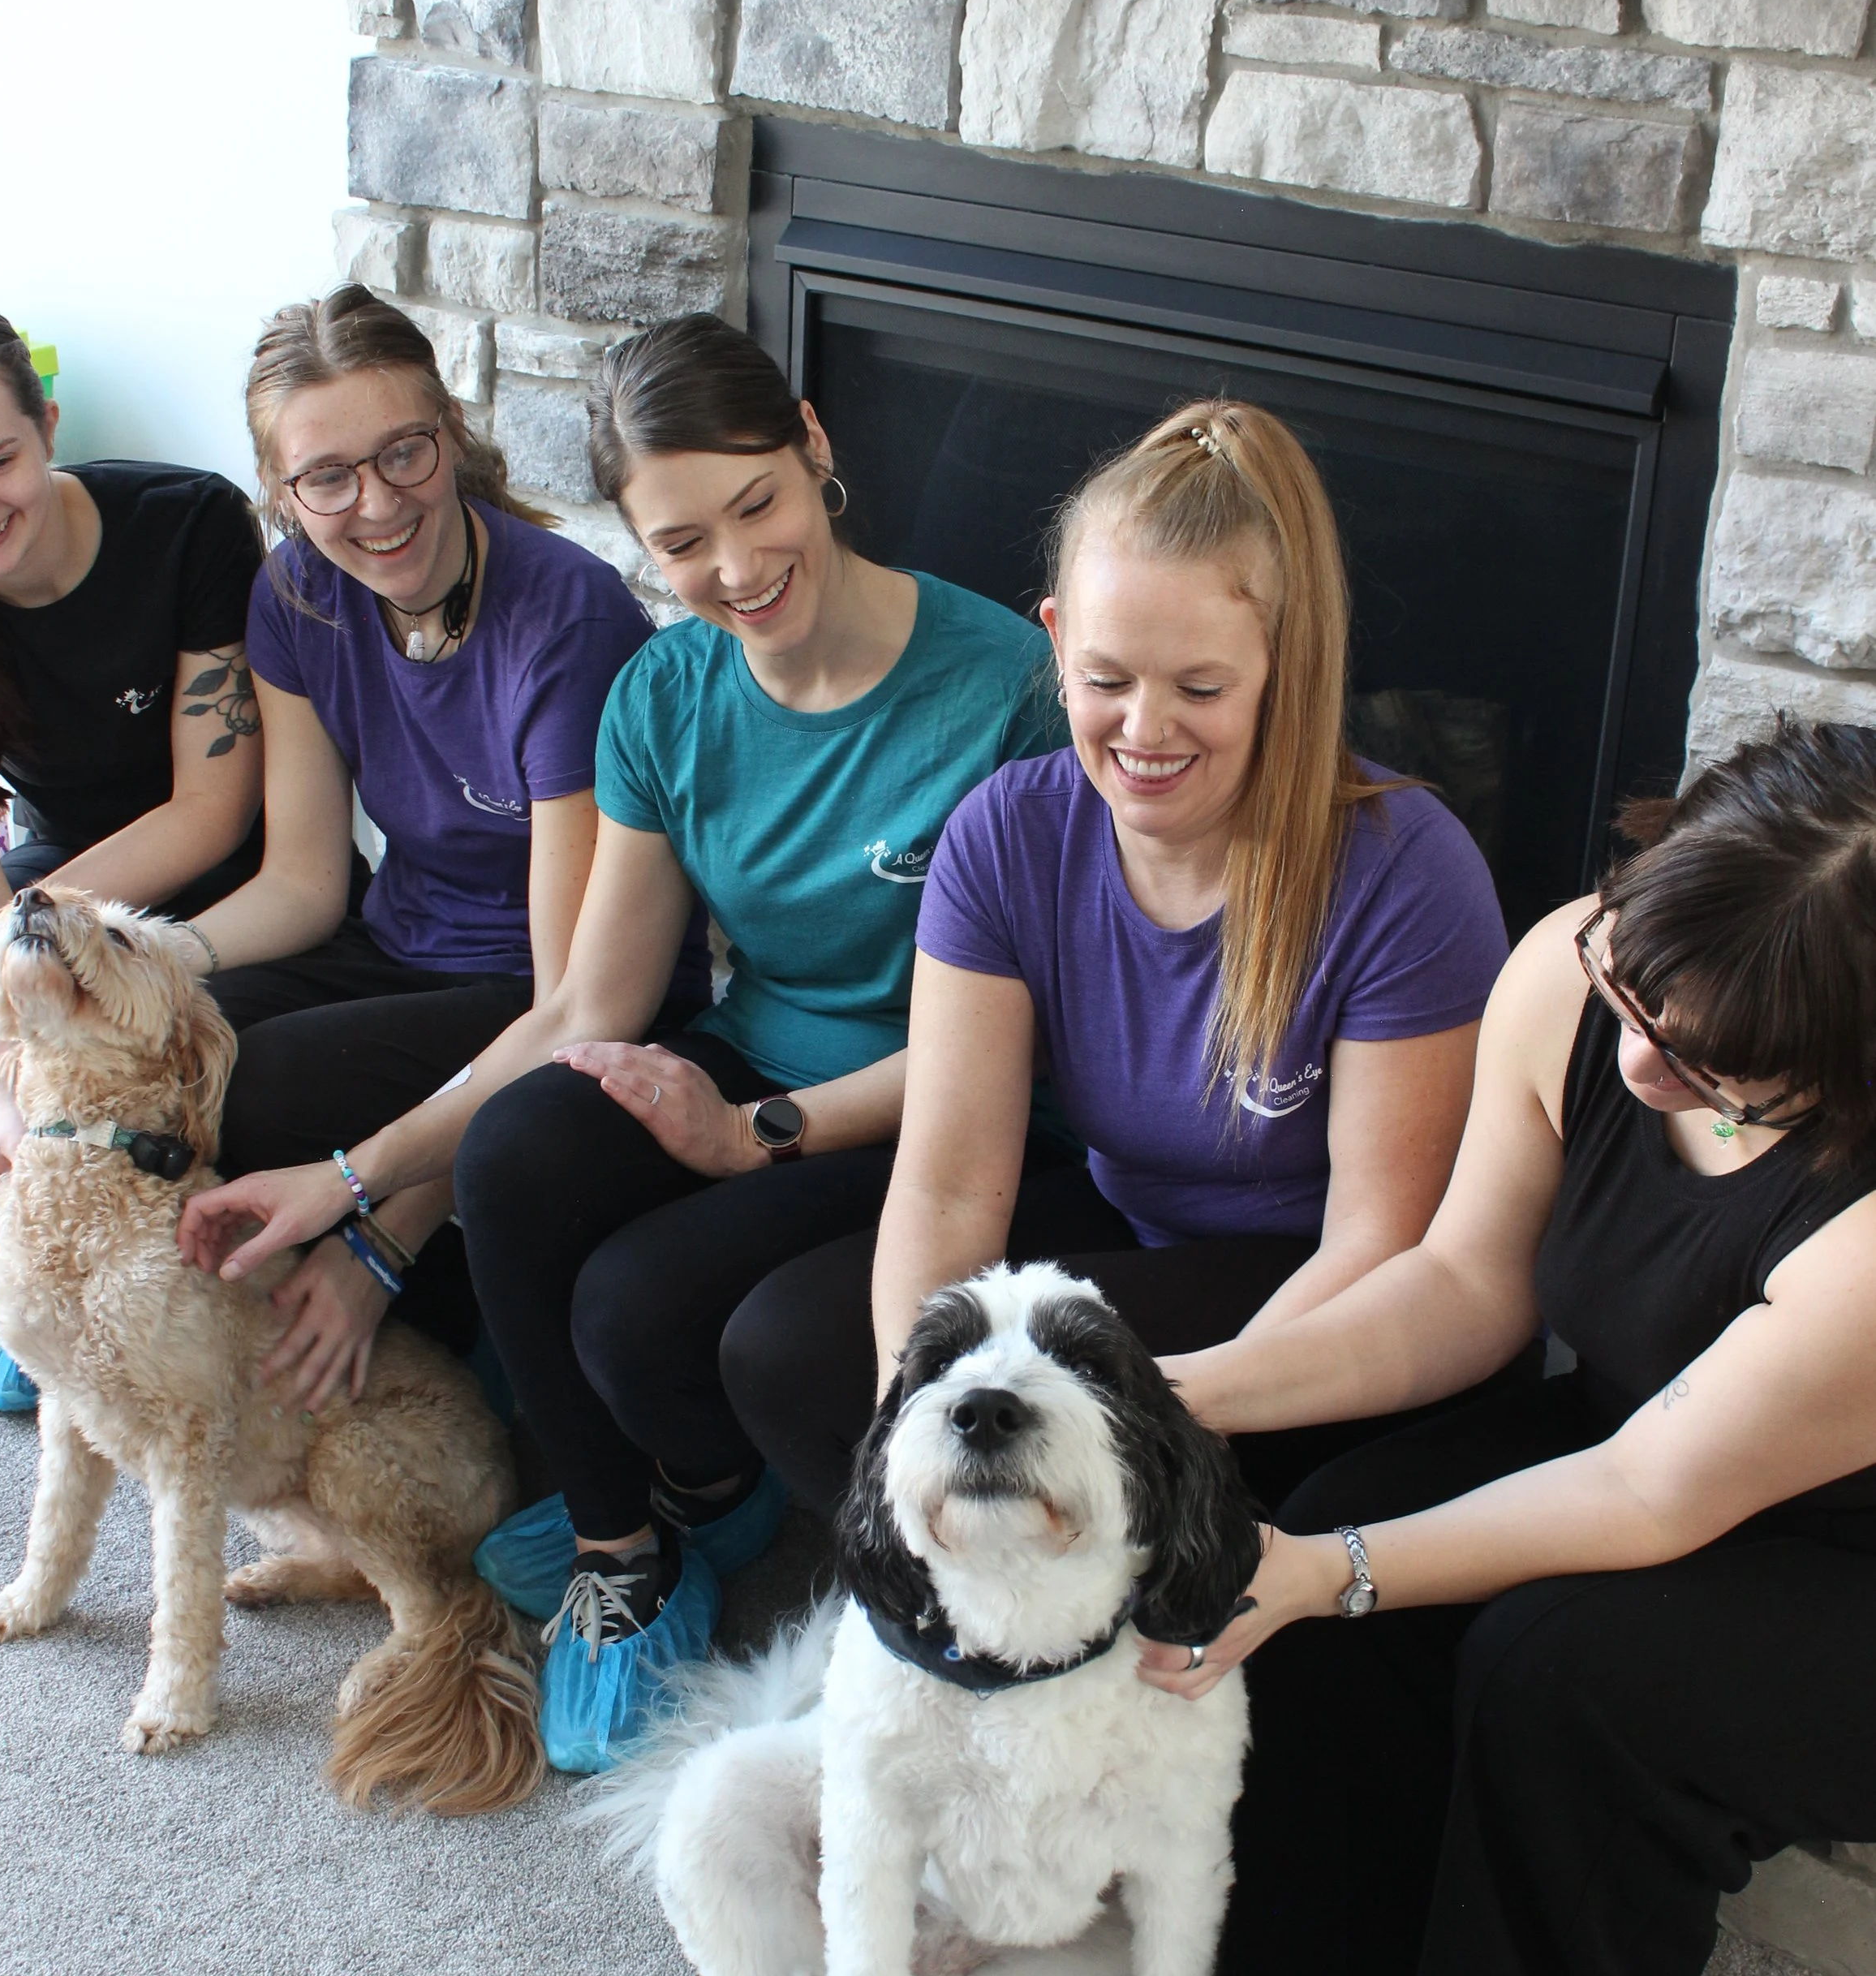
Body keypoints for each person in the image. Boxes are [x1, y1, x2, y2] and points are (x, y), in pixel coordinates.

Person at [180, 313, 1065, 1759]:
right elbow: (590, 1005)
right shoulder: (664, 693)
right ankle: (624, 1556)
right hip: (751, 1045)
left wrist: (755, 1134)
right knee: (520, 1152)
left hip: (928, 1094)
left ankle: (712, 1494)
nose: (733, 568)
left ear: (815, 445)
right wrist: (353, 1184)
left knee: (630, 1314)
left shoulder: (999, 688)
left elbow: (1017, 1046)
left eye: (757, 504)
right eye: (681, 541)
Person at [1134, 714, 1876, 1976]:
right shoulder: (1571, 963)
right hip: (1649, 1444)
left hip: (1839, 1564)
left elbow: (1652, 1494)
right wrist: (1186, 1386)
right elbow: (1467, 1288)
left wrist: (1320, 1572)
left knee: (1562, 1664)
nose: (1635, 1067)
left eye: (1706, 1071)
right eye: (1632, 1003)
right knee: (1359, 1509)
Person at [725, 398, 1508, 1521]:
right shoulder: (1006, 833)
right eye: (1107, 679)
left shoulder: (1407, 869)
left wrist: (1156, 1430)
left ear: (1283, 668)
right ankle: (974, 1625)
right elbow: (947, 1186)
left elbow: (1382, 1242)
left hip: (1319, 1292)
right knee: (787, 1346)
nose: (1144, 730)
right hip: (1126, 1227)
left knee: (1098, 1441)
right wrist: (924, 1412)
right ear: (1052, 640)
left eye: (1199, 687)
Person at [174, 283, 686, 1406]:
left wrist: (377, 1242)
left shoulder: (568, 618)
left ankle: (428, 1289)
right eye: (327, 477)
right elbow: (307, 882)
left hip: (543, 983)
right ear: (283, 492)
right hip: (402, 940)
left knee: (260, 1087)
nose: (377, 502)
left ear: (449, 431)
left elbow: (569, 1006)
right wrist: (140, 957)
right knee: (175, 1048)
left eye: (403, 451)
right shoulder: (296, 595)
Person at [0, 295, 264, 1410]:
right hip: (53, 864)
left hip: (223, 865)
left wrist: (40, 940)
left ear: (49, 425)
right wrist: (7, 1094)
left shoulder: (189, 523)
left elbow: (213, 808)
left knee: (176, 1031)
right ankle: (3, 1284)